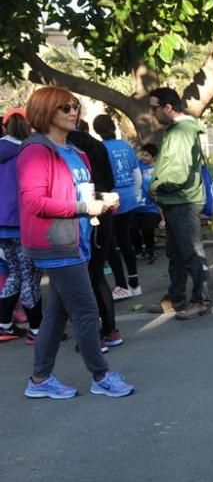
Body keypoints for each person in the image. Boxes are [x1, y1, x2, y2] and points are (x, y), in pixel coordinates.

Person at [18, 86, 134, 399]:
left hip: (76, 240)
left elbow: (74, 194)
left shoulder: (74, 151)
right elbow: (35, 202)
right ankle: (101, 375)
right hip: (56, 243)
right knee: (85, 311)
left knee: (56, 314)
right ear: (45, 112)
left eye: (74, 107)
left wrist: (100, 199)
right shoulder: (36, 151)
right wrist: (86, 207)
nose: (73, 112)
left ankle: (40, 379)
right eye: (64, 108)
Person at [148, 87, 210, 320]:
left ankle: (201, 300)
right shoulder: (179, 130)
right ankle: (176, 298)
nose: (152, 113)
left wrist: (155, 188)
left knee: (192, 254)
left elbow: (178, 173)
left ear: (168, 107)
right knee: (176, 255)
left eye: (154, 108)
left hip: (182, 201)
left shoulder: (181, 131)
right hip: (176, 201)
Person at [68, 119, 122, 351]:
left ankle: (95, 335)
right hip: (104, 209)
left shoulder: (68, 151)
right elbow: (110, 180)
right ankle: (110, 330)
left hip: (84, 213)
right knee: (97, 275)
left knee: (84, 279)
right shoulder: (99, 145)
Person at [0, 107, 43, 342]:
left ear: (5, 126)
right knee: (30, 275)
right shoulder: (28, 152)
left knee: (15, 273)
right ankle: (36, 329)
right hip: (22, 223)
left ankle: (4, 323)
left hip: (2, 224)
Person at [92, 114, 142, 300]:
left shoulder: (99, 148)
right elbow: (136, 173)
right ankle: (134, 283)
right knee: (126, 241)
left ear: (96, 130)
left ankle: (121, 285)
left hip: (111, 199)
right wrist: (135, 193)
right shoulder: (125, 146)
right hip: (129, 197)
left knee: (110, 245)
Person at [131, 143, 161, 264]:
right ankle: (138, 251)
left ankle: (150, 250)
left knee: (147, 227)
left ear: (154, 157)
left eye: (147, 155)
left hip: (151, 207)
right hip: (136, 206)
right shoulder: (138, 166)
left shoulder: (157, 170)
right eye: (142, 154)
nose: (143, 157)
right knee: (131, 228)